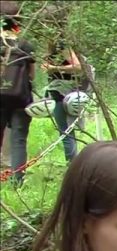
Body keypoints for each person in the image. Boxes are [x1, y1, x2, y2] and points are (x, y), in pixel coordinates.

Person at [0, 0, 34, 183]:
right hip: (21, 99)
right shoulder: (25, 45)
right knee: (18, 140)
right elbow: (32, 76)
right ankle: (17, 181)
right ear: (18, 20)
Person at [41, 39, 81, 163]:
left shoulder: (61, 46)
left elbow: (77, 66)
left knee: (65, 131)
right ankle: (73, 162)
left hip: (62, 93)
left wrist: (54, 68)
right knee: (66, 130)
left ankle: (71, 164)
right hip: (56, 91)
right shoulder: (52, 49)